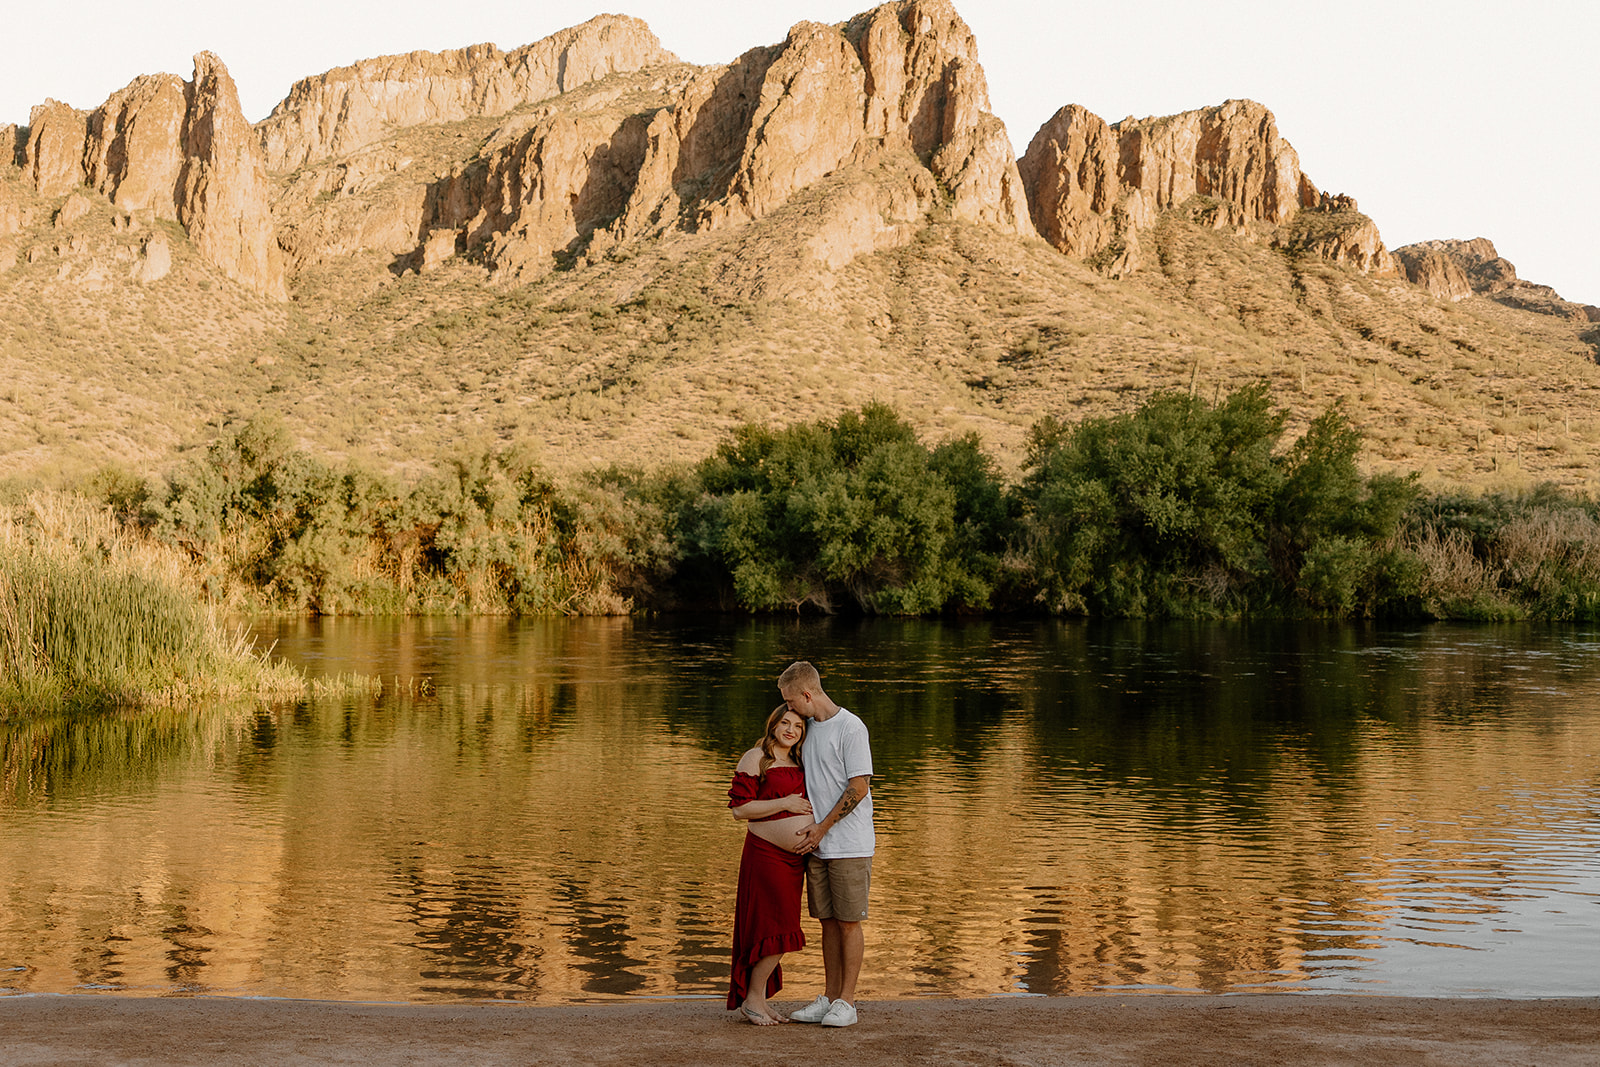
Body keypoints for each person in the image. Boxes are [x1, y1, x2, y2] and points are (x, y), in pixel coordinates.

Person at [777, 660, 873, 1029]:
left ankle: (847, 1003)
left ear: (806, 694)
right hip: (819, 847)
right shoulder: (809, 730)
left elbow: (859, 787)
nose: (788, 710)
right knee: (828, 924)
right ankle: (830, 998)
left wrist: (821, 828)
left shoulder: (851, 727)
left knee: (849, 923)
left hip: (849, 845)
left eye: (789, 701)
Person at [726, 704, 813, 1024]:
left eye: (799, 726)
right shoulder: (756, 758)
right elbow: (740, 810)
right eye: (786, 723)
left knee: (776, 928)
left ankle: (758, 1001)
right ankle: (752, 1000)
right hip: (764, 857)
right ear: (773, 724)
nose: (791, 730)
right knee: (776, 929)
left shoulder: (800, 762)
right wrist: (786, 802)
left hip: (793, 863)